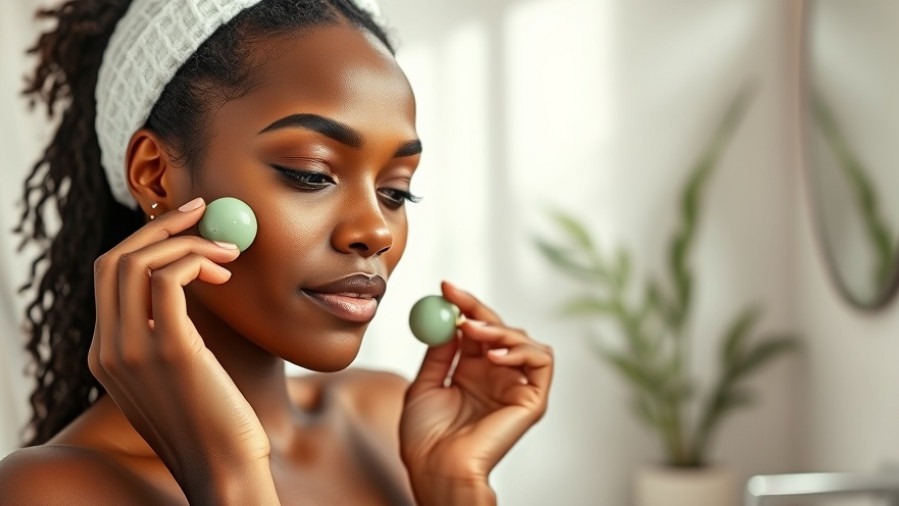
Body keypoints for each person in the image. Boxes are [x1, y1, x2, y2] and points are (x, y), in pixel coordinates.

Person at [0, 0, 554, 503]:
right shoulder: (49, 491)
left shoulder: (390, 421)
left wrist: (456, 487)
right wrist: (229, 473)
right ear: (155, 175)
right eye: (310, 173)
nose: (376, 230)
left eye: (395, 191)